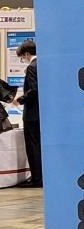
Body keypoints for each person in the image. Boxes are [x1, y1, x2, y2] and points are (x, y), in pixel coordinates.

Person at [14, 39, 39, 187]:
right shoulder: (43, 65)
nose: (23, 60)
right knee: (39, 146)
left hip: (32, 115)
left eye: (22, 57)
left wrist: (20, 100)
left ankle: (36, 178)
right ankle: (40, 177)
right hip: (41, 114)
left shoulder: (31, 67)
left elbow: (34, 90)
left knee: (32, 146)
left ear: (27, 54)